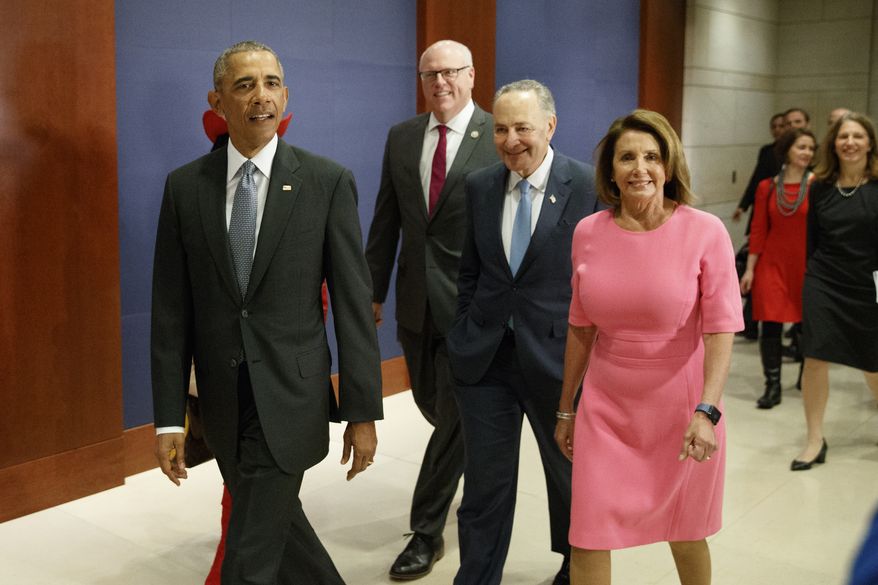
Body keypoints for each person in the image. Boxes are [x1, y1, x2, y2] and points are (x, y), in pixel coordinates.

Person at [151, 41, 383, 585]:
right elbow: (169, 314)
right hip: (223, 403)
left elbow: (352, 306)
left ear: (286, 95)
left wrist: (363, 410)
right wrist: (168, 418)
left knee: (249, 558)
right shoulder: (185, 188)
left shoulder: (326, 182)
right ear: (218, 101)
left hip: (293, 396)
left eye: (272, 83)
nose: (262, 96)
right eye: (245, 85)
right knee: (282, 531)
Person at [554, 109, 742, 585]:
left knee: (684, 532)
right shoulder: (588, 232)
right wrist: (566, 409)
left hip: (681, 406)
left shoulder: (704, 231)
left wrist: (708, 410)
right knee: (588, 532)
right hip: (607, 405)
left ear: (669, 165)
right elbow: (581, 326)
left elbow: (721, 329)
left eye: (652, 157)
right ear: (610, 171)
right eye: (627, 157)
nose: (640, 168)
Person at [447, 79, 601, 585]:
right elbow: (470, 268)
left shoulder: (588, 186)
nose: (511, 139)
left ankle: (573, 569)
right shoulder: (480, 185)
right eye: (501, 129)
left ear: (550, 127)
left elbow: (600, 281)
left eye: (523, 128)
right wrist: (463, 326)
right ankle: (476, 577)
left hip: (560, 361)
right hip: (486, 358)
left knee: (568, 481)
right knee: (486, 485)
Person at [364, 39, 497, 580]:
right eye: (428, 74)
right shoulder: (402, 137)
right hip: (415, 306)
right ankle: (484, 471)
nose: (439, 82)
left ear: (471, 75)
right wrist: (370, 292)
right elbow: (386, 221)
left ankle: (426, 533)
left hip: (474, 306)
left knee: (456, 416)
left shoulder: (499, 135)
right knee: (437, 410)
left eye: (449, 72)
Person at [793, 111, 878, 471]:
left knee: (873, 364)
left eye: (858, 136)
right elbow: (812, 241)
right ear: (834, 143)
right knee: (814, 357)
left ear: (870, 143)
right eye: (844, 136)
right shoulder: (820, 187)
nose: (850, 142)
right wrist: (813, 277)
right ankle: (815, 439)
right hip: (825, 280)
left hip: (869, 283)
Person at [739, 128, 816, 408]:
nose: (807, 152)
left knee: (807, 325)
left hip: (807, 265)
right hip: (771, 263)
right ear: (787, 151)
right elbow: (758, 229)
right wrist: (750, 269)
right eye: (802, 147)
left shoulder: (819, 185)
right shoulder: (767, 187)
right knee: (769, 322)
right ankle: (772, 386)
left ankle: (807, 376)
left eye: (811, 148)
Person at [732, 113, 785, 340]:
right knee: (756, 271)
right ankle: (750, 322)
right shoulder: (767, 151)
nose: (778, 129)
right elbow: (756, 180)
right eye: (774, 126)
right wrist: (743, 206)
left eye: (782, 125)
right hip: (763, 215)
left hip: (786, 219)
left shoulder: (803, 155)